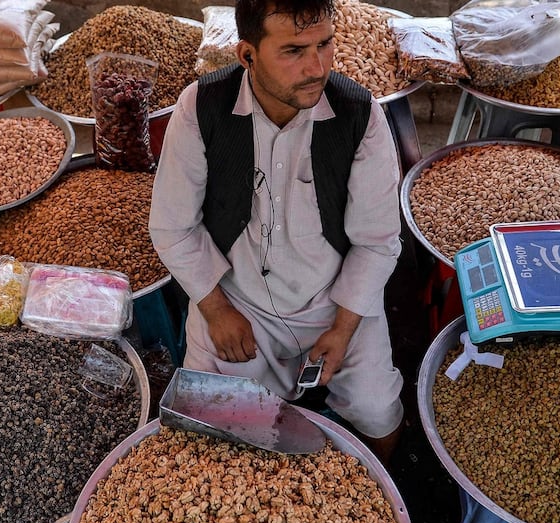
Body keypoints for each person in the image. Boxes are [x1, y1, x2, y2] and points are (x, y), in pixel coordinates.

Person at [149, 0, 404, 463]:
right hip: (237, 300)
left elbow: (376, 240)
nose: (317, 66)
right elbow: (172, 226)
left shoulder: (359, 115)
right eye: (293, 51)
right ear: (247, 55)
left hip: (334, 300)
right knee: (211, 421)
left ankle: (395, 486)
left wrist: (344, 327)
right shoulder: (202, 106)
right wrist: (215, 308)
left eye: (325, 44)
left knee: (378, 408)